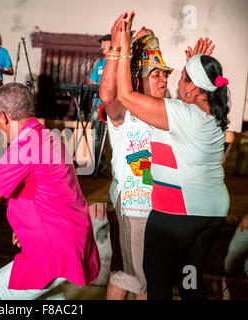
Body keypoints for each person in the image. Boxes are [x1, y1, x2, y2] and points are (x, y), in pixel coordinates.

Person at [116, 12, 230, 300]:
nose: (177, 83)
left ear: (193, 88)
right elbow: (187, 106)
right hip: (211, 214)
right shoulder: (214, 115)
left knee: (158, 286)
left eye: (183, 78)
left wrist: (124, 47)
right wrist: (199, 67)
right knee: (191, 281)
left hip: (176, 216)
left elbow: (126, 96)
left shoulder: (179, 113)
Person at [0, 83, 100, 300]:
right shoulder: (50, 137)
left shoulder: (22, 148)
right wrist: (23, 226)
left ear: (3, 117)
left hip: (52, 251)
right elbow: (50, 190)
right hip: (72, 241)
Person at [99, 13, 173, 300]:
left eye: (165, 74)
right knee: (134, 278)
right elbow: (108, 96)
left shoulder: (169, 110)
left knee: (135, 276)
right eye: (156, 74)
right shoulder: (125, 111)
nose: (163, 79)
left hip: (162, 208)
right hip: (133, 207)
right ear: (140, 79)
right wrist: (118, 45)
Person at [87, 34, 112, 166]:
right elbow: (91, 82)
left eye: (104, 42)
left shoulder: (114, 63)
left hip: (111, 105)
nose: (101, 45)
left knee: (110, 136)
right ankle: (98, 163)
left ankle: (108, 164)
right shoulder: (99, 63)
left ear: (111, 43)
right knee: (95, 135)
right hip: (97, 104)